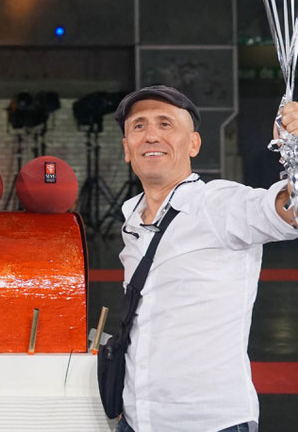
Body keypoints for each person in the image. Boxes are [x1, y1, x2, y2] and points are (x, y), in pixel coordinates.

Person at [111, 85, 298, 432]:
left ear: (194, 144)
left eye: (165, 124)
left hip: (212, 424)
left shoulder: (218, 205)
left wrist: (296, 156)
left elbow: (289, 210)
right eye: (138, 126)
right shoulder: (132, 220)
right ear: (127, 149)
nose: (151, 135)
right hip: (137, 422)